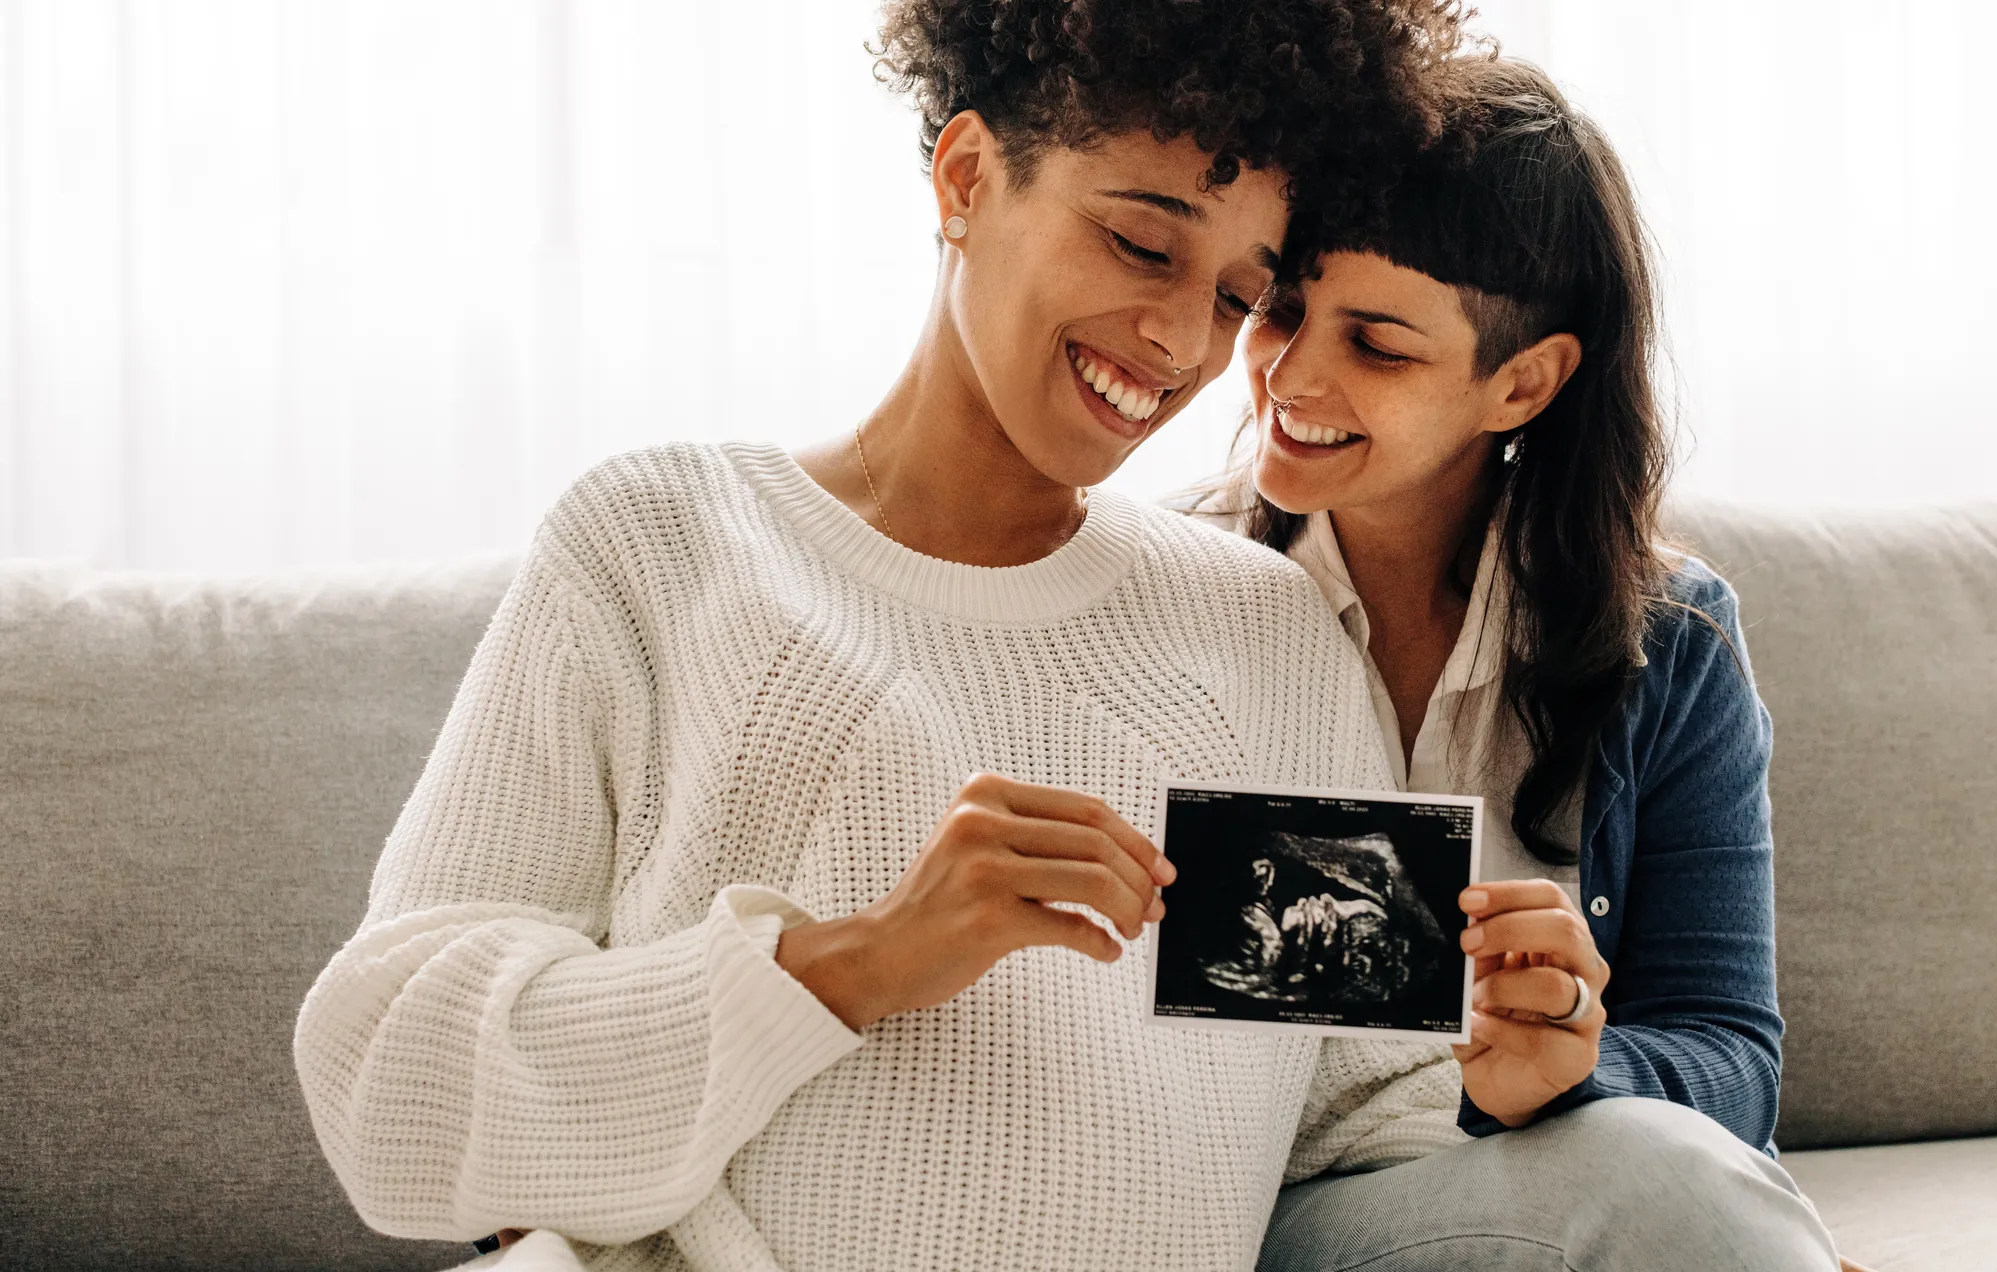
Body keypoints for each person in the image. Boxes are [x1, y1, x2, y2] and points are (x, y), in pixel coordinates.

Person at [291, 3, 1472, 1271]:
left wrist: (1523, 1071)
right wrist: (848, 965)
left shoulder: (1265, 636)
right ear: (965, 178)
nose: (1182, 344)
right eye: (1139, 244)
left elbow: (1374, 1131)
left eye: (1240, 297)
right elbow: (386, 1096)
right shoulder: (664, 545)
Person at [1194, 55, 1852, 1271]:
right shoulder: (1164, 591)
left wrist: (1573, 1066)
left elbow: (1729, 1055)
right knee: (1675, 1200)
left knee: (1676, 1185)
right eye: (1278, 308)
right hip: (1245, 1209)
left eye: (1376, 345)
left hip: (1538, 1186)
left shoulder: (1673, 642)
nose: (1288, 377)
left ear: (1522, 382)